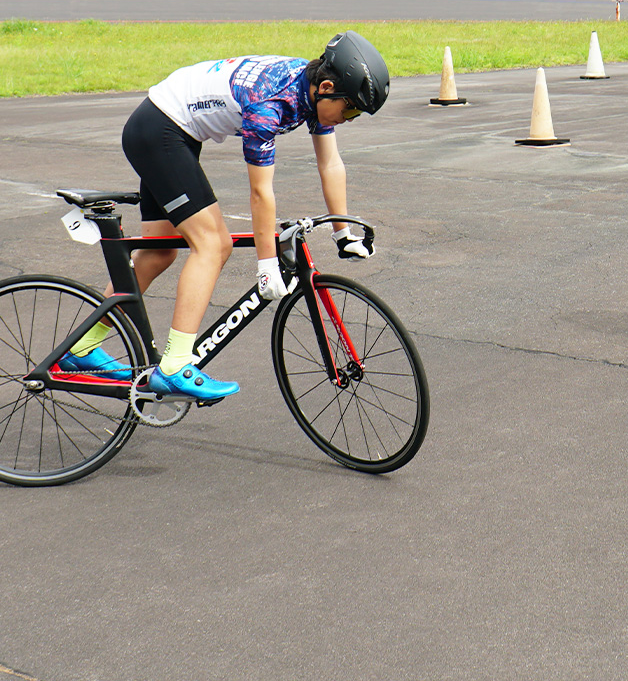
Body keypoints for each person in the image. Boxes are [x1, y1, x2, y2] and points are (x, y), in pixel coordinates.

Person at [65, 31, 390, 402]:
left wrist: (342, 231)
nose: (351, 118)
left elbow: (330, 163)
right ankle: (173, 366)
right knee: (213, 245)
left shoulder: (313, 90)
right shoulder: (270, 103)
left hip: (170, 129)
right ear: (328, 86)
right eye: (351, 109)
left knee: (158, 253)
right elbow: (260, 192)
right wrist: (266, 261)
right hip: (160, 131)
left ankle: (82, 347)